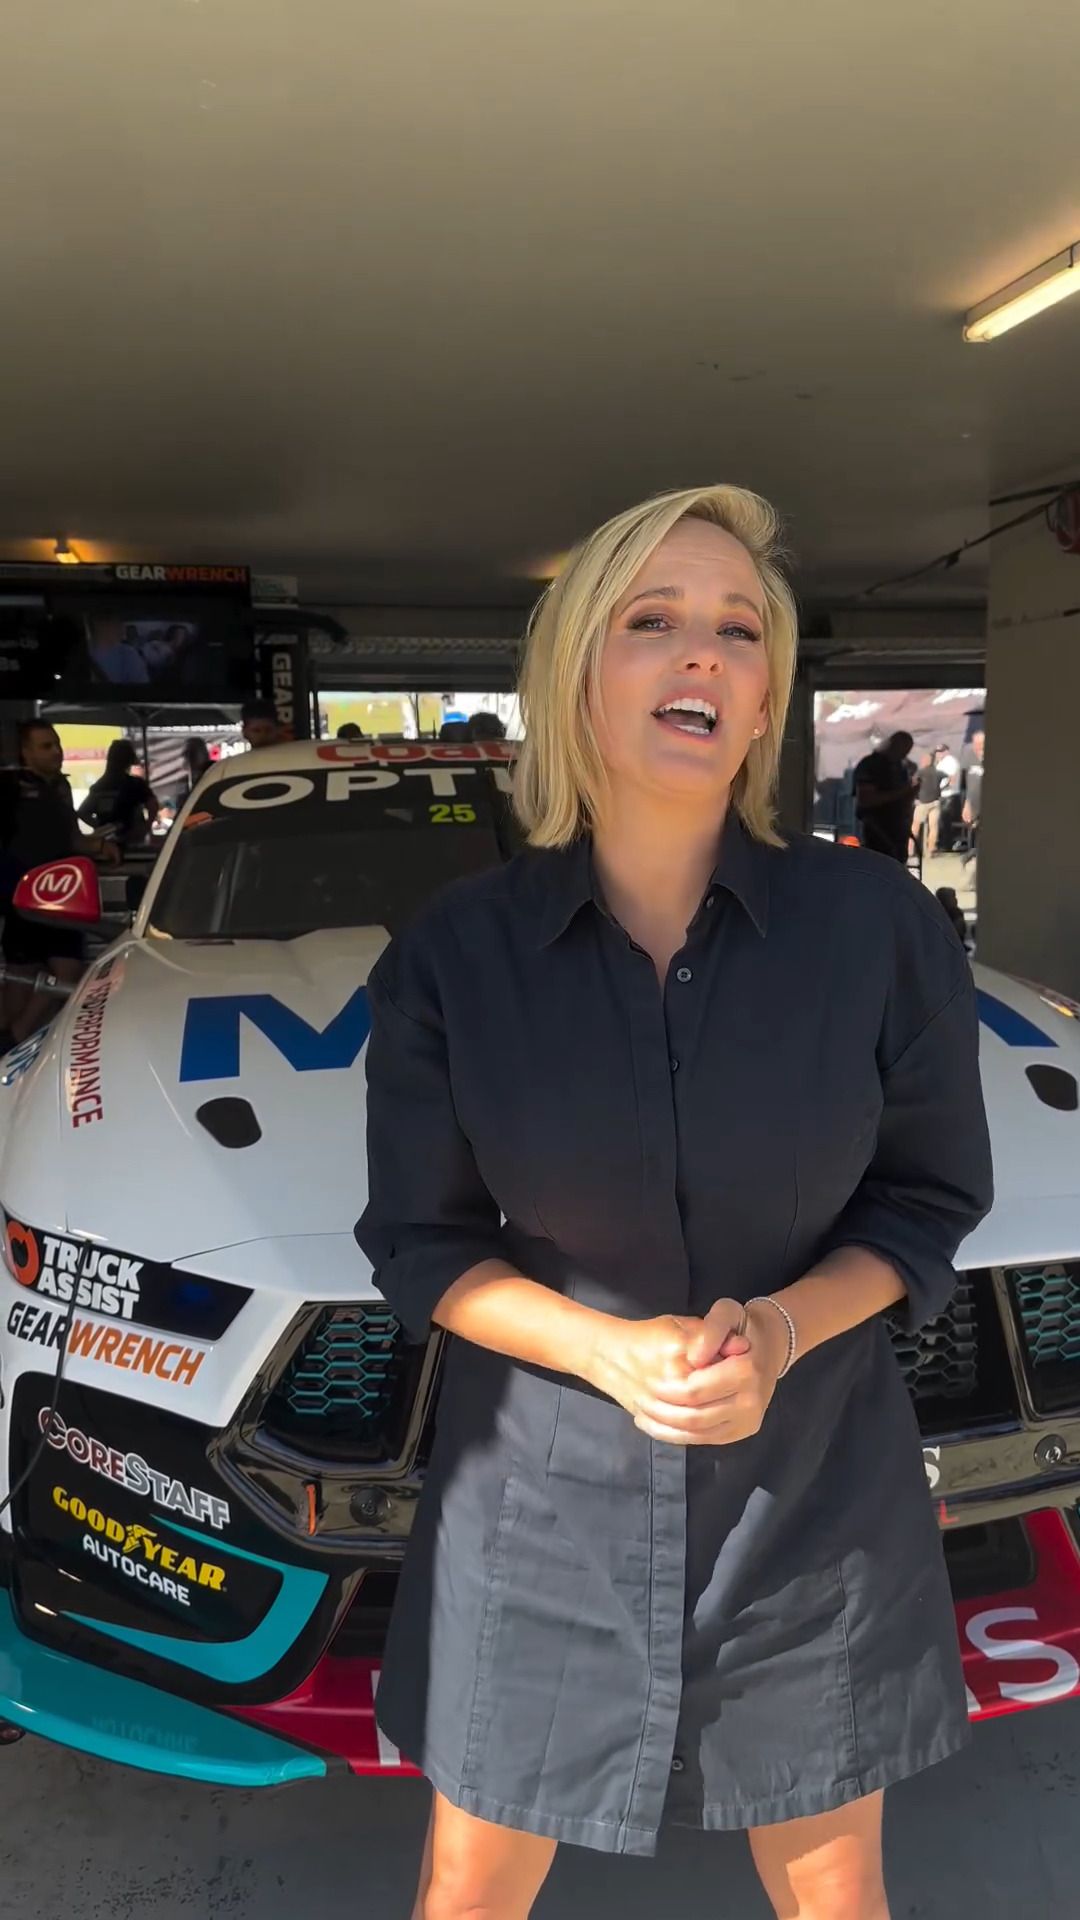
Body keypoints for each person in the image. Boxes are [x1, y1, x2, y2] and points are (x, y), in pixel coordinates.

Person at [356, 485, 993, 1920]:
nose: (703, 651)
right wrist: (607, 1351)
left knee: (837, 1893)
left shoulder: (882, 931)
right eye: (653, 620)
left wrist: (780, 1328)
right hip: (538, 1513)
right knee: (468, 1890)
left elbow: (927, 1196)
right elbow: (422, 1242)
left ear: (764, 701)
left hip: (814, 1497)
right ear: (577, 675)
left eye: (738, 629)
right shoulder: (455, 954)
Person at [0, 723, 118, 1044]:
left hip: (61, 895)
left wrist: (100, 846)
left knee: (66, 971)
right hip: (21, 896)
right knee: (22, 979)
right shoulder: (9, 786)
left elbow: (73, 838)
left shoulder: (61, 788)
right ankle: (13, 1038)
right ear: (25, 752)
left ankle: (17, 1037)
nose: (56, 752)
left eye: (57, 744)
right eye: (46, 746)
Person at [78, 738, 159, 852]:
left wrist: (101, 827)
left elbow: (83, 812)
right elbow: (153, 805)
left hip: (108, 844)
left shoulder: (100, 786)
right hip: (133, 842)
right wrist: (146, 827)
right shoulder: (135, 784)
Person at [853, 730, 916, 862]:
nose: (904, 755)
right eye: (902, 749)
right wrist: (901, 793)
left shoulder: (901, 768)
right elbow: (866, 799)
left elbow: (904, 799)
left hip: (897, 830)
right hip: (875, 829)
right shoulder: (870, 765)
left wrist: (910, 794)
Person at [912, 751, 945, 859]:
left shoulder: (920, 772)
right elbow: (950, 778)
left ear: (926, 761)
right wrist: (942, 788)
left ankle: (910, 850)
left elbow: (913, 783)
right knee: (933, 827)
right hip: (935, 802)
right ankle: (930, 851)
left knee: (915, 827)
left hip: (923, 802)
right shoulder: (938, 772)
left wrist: (915, 797)